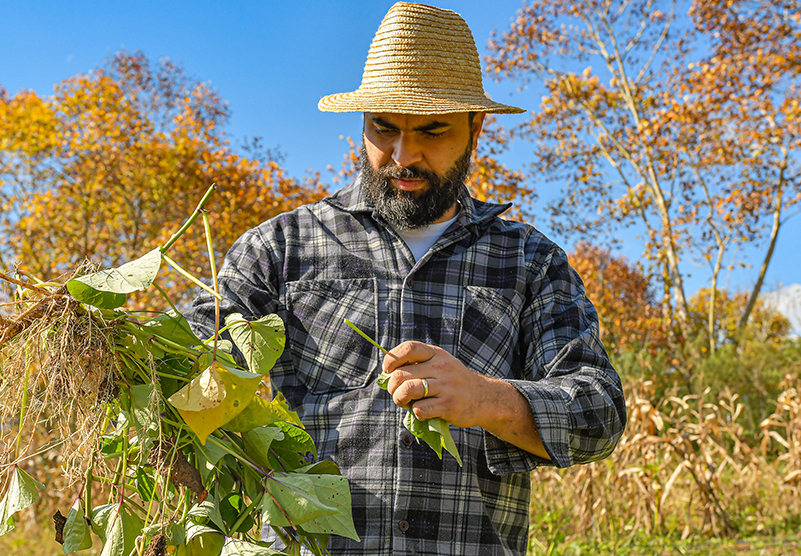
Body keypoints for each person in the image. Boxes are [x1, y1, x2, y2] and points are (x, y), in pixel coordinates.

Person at [187, 3, 626, 554]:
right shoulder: (278, 250)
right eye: (384, 128)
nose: (403, 155)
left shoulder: (529, 262)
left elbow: (599, 411)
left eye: (433, 131)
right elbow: (190, 368)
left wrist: (486, 398)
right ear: (362, 123)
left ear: (475, 128)